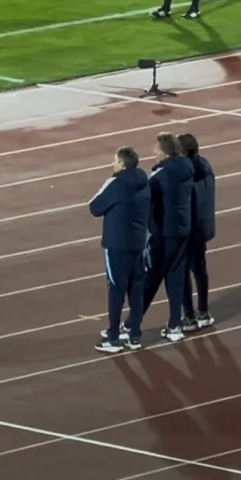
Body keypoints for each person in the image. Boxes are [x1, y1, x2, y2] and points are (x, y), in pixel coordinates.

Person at [90, 146, 151, 353]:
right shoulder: (145, 181)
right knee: (136, 290)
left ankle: (114, 337)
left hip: (117, 245)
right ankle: (134, 335)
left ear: (122, 164)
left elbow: (95, 208)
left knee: (116, 290)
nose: (112, 164)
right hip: (138, 243)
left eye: (115, 160)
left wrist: (107, 185)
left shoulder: (116, 184)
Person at [144, 132, 195, 342]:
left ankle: (130, 325)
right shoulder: (187, 167)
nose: (154, 153)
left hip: (163, 233)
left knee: (150, 278)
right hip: (182, 229)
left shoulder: (161, 175)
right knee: (175, 278)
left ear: (164, 152)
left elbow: (143, 196)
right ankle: (175, 325)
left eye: (156, 150)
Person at [176, 132, 217, 332]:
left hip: (187, 229)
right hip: (202, 226)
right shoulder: (205, 165)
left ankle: (189, 317)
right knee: (200, 269)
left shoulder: (184, 172)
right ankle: (203, 312)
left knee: (182, 273)